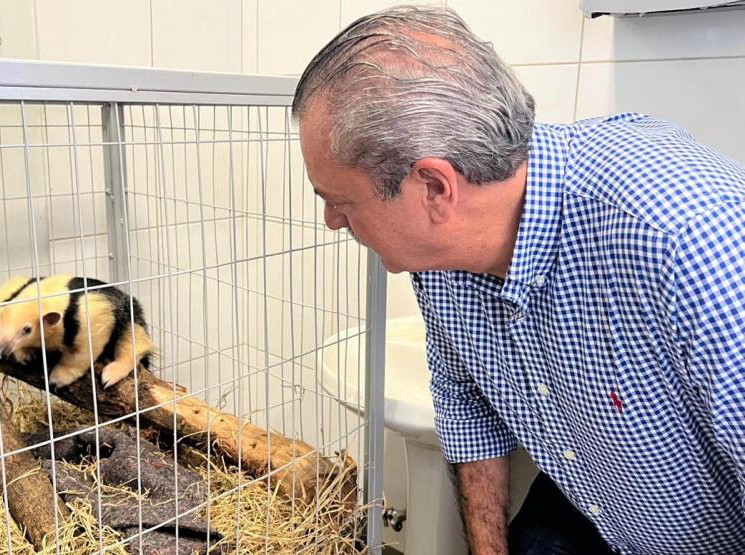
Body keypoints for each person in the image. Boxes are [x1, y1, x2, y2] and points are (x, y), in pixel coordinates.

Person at [292, 6, 745, 555]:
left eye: (340, 201)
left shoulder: (688, 237)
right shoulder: (442, 259)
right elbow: (465, 408)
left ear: (434, 188)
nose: (333, 221)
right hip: (591, 498)